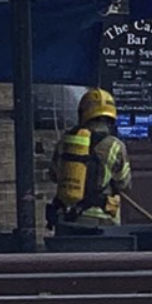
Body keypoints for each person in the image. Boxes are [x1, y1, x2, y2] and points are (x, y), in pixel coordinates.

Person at [50, 88, 133, 228]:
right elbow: (124, 183)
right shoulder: (115, 146)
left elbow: (53, 175)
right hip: (102, 220)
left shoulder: (65, 141)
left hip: (67, 217)